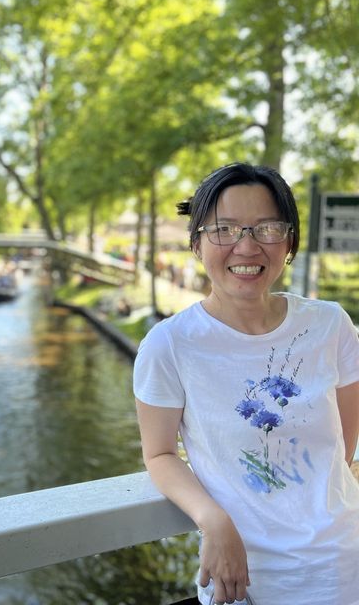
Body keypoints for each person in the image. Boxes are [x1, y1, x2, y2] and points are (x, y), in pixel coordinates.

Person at [133, 162, 359, 605]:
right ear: (197, 243)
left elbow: (345, 445)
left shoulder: (331, 325)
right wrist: (212, 520)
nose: (246, 246)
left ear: (289, 240)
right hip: (244, 578)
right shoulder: (170, 345)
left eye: (267, 228)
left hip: (345, 562)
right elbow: (159, 454)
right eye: (225, 229)